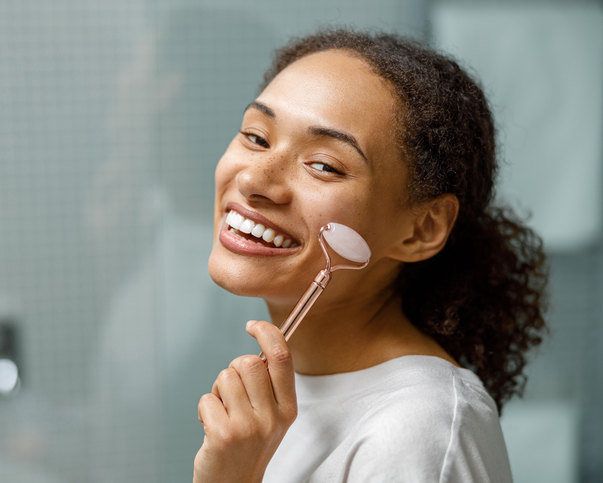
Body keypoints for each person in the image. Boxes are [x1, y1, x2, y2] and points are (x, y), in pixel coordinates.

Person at [193, 28, 548, 482]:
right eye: (256, 137)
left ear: (421, 229)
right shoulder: (274, 404)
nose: (254, 181)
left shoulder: (420, 429)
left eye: (324, 165)